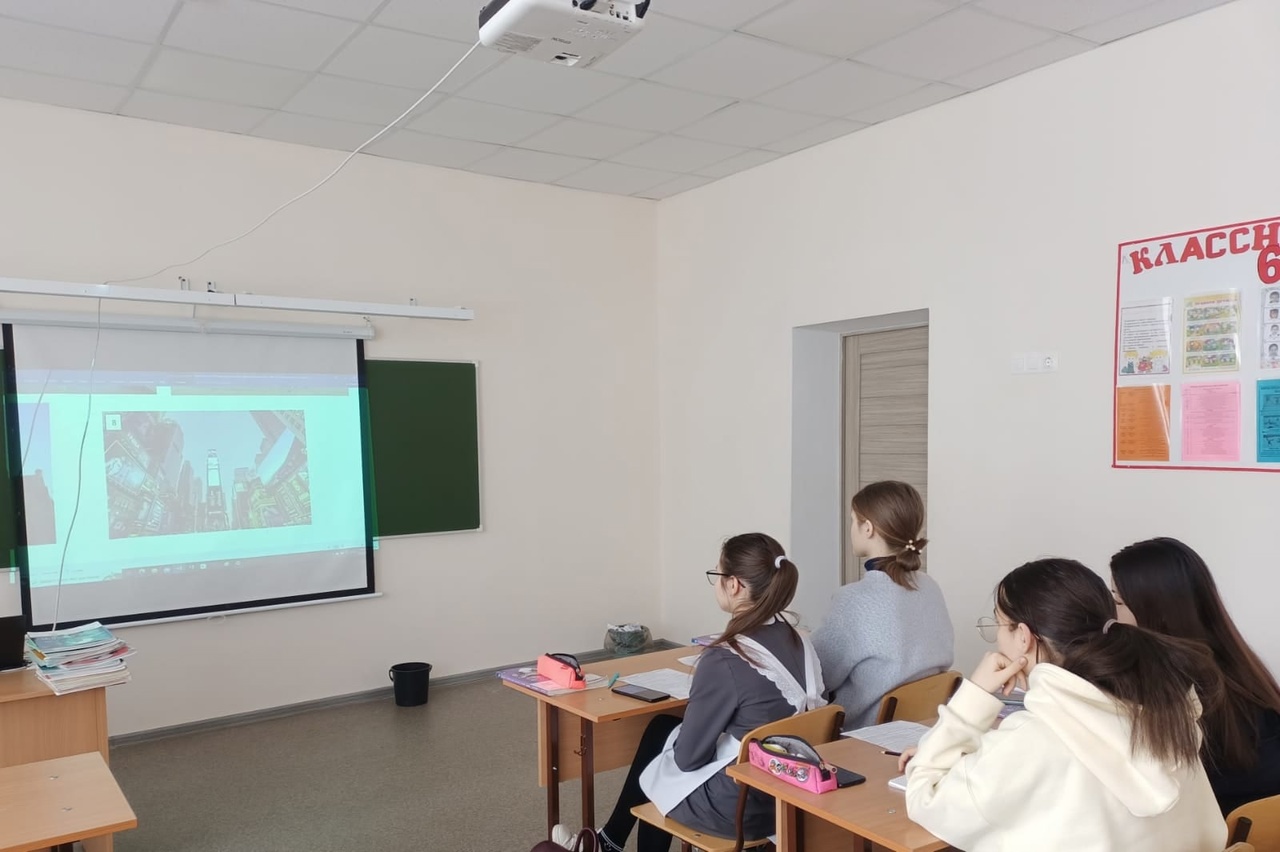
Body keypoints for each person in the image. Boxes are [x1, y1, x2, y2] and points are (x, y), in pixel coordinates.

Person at [902, 559, 1226, 851]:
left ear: (1024, 637)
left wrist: (972, 698)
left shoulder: (1033, 738)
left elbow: (926, 800)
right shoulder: (1167, 712)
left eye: (998, 624)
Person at [553, 533, 824, 852]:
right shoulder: (802, 641)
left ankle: (608, 842)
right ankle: (609, 841)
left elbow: (688, 760)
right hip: (791, 793)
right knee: (661, 729)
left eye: (717, 575)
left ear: (734, 584)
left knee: (660, 771)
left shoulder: (725, 658)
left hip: (741, 808)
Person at [1111, 537, 1280, 814]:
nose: (1113, 617)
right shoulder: (1242, 670)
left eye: (1118, 601)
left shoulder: (1172, 690)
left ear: (1155, 610)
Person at [811, 481, 953, 730]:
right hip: (925, 729)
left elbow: (818, 677)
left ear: (868, 528)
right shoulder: (929, 586)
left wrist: (801, 643)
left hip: (864, 736)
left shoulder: (853, 600)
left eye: (853, 520)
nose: (851, 528)